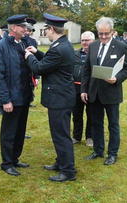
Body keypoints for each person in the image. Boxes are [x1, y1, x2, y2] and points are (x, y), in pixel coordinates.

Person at [25, 13, 76, 182]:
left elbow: (40, 68)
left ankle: (68, 171)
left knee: (61, 135)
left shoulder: (59, 48)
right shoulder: (62, 44)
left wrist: (30, 56)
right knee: (60, 134)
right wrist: (37, 52)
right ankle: (60, 162)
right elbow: (50, 61)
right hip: (62, 97)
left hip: (59, 99)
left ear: (52, 29)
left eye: (46, 29)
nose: (45, 31)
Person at [81, 17, 127, 165]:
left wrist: (116, 78)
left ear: (112, 32)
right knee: (96, 123)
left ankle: (112, 154)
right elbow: (86, 69)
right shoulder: (93, 46)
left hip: (111, 93)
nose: (103, 37)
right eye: (100, 34)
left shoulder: (121, 47)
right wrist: (83, 89)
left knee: (113, 124)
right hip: (93, 93)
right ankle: (98, 150)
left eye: (106, 33)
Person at [0, 14, 34, 176]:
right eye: (23, 27)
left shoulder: (22, 44)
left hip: (24, 97)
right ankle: (7, 163)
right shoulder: (0, 46)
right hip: (11, 98)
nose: (26, 29)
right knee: (9, 132)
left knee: (20, 130)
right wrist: (5, 100)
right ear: (14, 28)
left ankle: (15, 158)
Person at [72, 31, 94, 147]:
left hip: (90, 89)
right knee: (76, 114)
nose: (85, 43)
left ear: (93, 41)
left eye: (87, 40)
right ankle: (76, 136)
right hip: (75, 88)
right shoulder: (74, 54)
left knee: (91, 114)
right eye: (83, 40)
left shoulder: (96, 54)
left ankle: (90, 137)